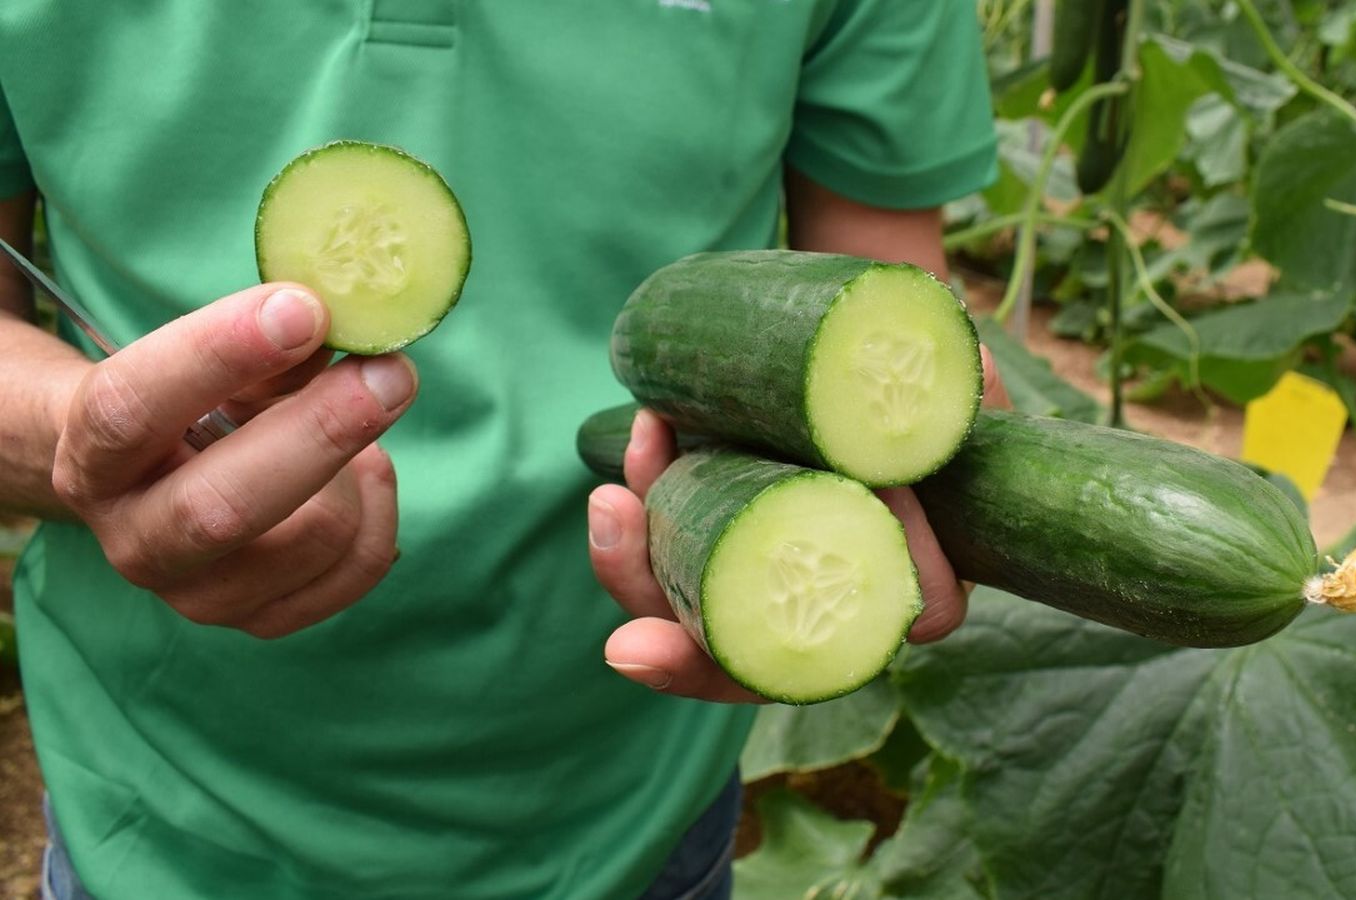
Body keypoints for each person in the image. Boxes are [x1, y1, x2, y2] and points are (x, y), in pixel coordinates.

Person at [0, 3, 1000, 897]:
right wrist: (86, 436)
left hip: (637, 819)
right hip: (156, 826)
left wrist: (917, 459)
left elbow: (881, 296)